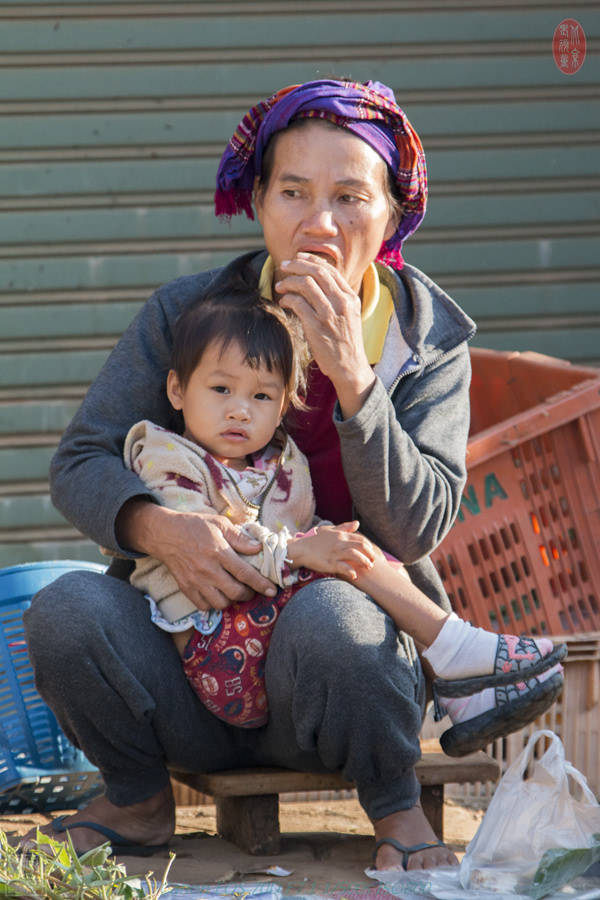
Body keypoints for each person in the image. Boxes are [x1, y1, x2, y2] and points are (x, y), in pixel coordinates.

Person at [21, 78, 564, 871]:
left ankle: (395, 806)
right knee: (65, 608)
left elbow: (417, 527)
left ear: (391, 216)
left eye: (350, 197)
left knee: (337, 617)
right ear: (259, 201)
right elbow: (80, 460)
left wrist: (354, 378)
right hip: (185, 659)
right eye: (294, 193)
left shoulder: (427, 343)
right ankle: (137, 800)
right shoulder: (190, 314)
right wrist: (162, 530)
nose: (319, 223)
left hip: (328, 691)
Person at [126, 287, 565, 741]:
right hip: (212, 648)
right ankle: (455, 649)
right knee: (340, 558)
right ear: (177, 389)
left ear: (282, 407)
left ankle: (460, 688)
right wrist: (309, 550)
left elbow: (299, 530)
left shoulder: (281, 461)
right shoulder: (165, 457)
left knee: (356, 550)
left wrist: (329, 544)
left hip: (278, 652)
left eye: (261, 396)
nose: (239, 409)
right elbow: (212, 544)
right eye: (220, 389)